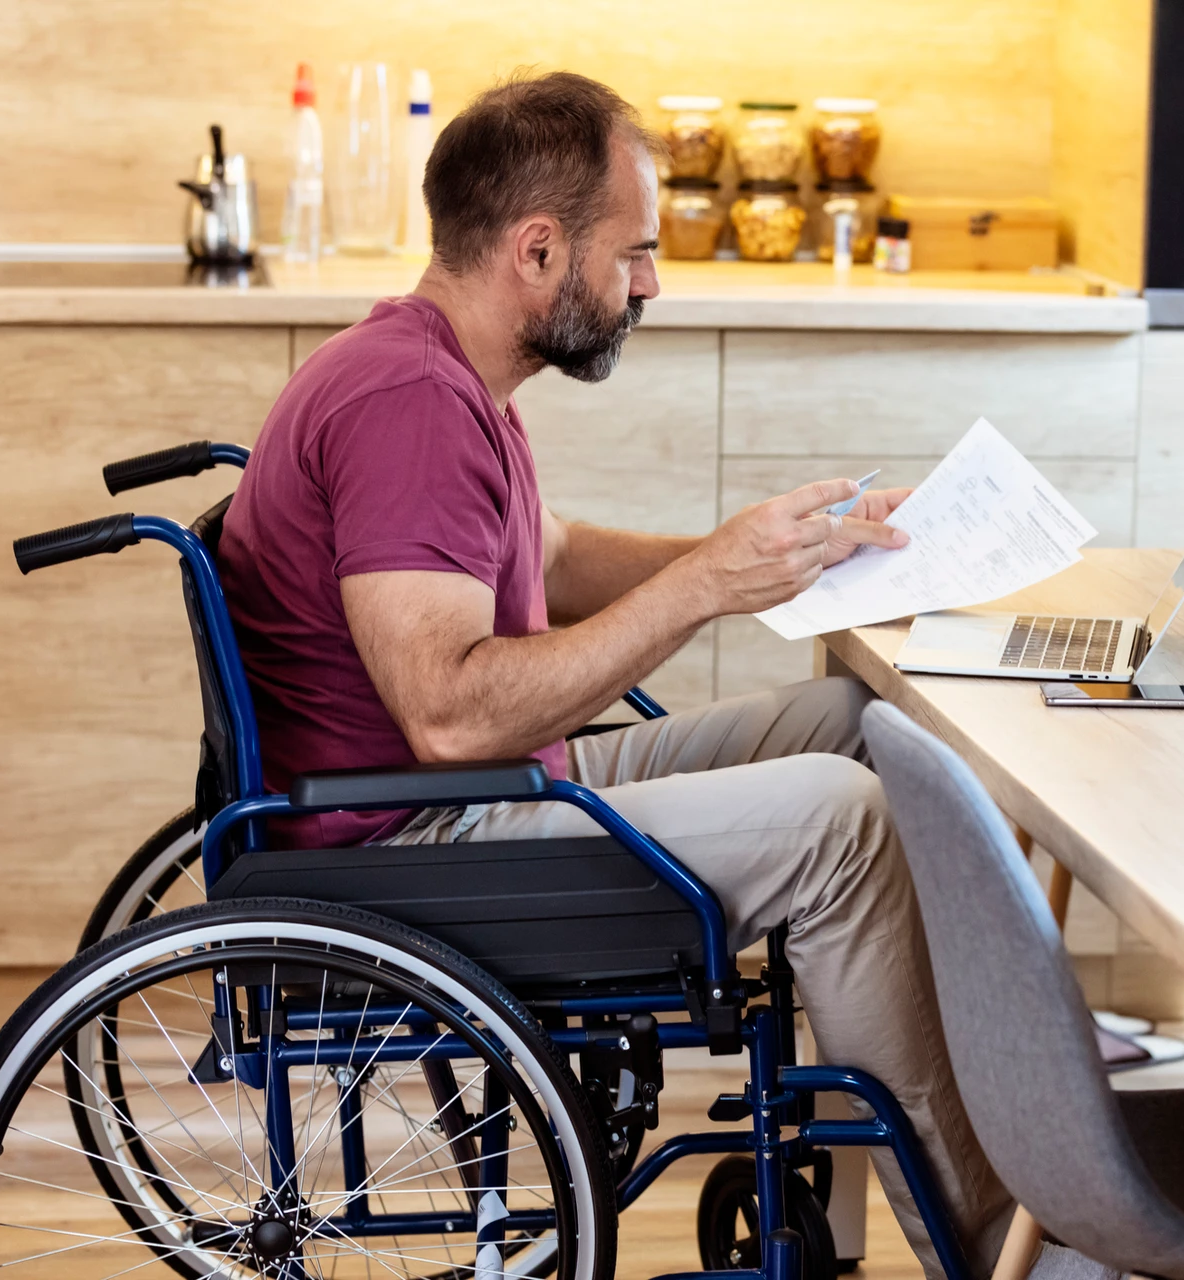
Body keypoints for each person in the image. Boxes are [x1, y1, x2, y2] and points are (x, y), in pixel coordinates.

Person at [218, 70, 1014, 1279]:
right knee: (841, 821)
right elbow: (447, 713)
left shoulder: (445, 374)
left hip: (474, 795)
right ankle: (1003, 1240)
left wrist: (780, 551)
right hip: (412, 849)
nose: (652, 281)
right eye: (633, 251)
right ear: (538, 249)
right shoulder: (408, 404)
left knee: (858, 723)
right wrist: (705, 585)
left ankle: (1004, 1097)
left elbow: (557, 557)